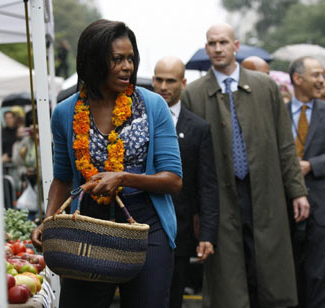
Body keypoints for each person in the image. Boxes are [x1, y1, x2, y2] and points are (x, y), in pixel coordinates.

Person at [31, 19, 183, 308]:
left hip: (146, 226)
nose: (128, 66)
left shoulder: (152, 106)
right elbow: (63, 178)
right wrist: (48, 222)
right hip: (85, 226)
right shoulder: (65, 112)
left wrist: (123, 178)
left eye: (130, 59)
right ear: (94, 61)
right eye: (117, 59)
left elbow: (173, 180)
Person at [181, 23, 310, 308]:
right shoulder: (195, 93)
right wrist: (197, 210)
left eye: (223, 42)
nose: (217, 48)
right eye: (212, 43)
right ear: (207, 48)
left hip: (265, 190)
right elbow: (191, 159)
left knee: (270, 270)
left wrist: (297, 191)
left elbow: (285, 144)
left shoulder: (265, 87)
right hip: (220, 198)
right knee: (228, 275)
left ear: (235, 46)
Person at [152, 56, 219, 308]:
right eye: (158, 79)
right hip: (141, 224)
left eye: (170, 80)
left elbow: (207, 184)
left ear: (183, 83)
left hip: (180, 230)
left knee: (174, 298)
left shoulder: (198, 128)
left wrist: (208, 235)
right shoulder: (136, 120)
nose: (163, 86)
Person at [287, 56, 325, 308]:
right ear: (297, 79)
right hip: (284, 206)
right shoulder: (278, 111)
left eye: (323, 75)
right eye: (316, 75)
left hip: (321, 209)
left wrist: (313, 165)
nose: (321, 80)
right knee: (289, 275)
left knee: (318, 276)